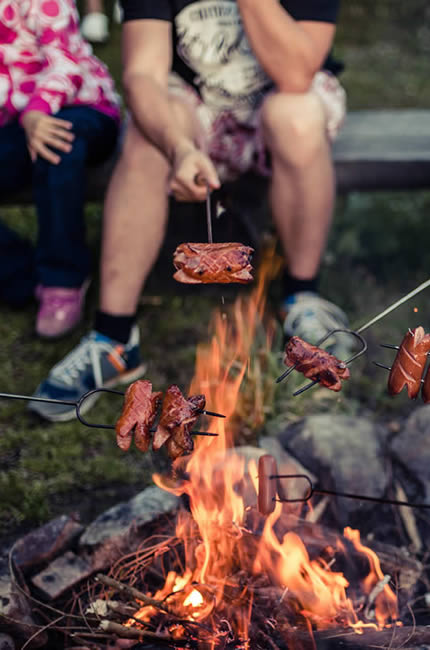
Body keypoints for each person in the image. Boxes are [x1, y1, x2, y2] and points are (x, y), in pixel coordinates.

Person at [30, 0, 351, 421]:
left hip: (283, 97)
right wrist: (178, 147)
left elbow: (296, 75)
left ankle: (303, 297)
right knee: (148, 134)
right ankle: (113, 340)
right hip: (195, 109)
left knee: (298, 114)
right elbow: (142, 74)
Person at [0, 0, 120, 338]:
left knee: (57, 142)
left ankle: (63, 278)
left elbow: (66, 63)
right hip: (16, 124)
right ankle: (21, 274)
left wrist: (38, 112)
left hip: (81, 106)